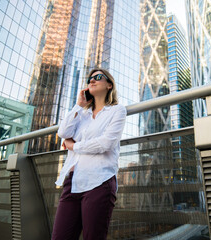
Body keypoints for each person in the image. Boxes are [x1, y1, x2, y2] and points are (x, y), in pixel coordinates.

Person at [52, 68, 127, 240]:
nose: (92, 81)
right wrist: (79, 105)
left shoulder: (117, 111)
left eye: (98, 77)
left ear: (109, 85)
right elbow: (63, 132)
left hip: (99, 182)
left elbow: (105, 143)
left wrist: (74, 146)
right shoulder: (82, 114)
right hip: (73, 181)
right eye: (90, 79)